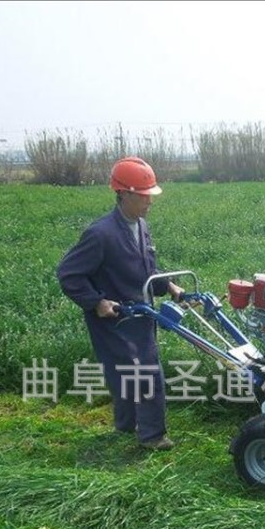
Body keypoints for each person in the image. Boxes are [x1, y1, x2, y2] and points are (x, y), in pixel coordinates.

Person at [57, 156, 183, 450]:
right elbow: (69, 274)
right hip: (113, 318)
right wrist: (97, 302)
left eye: (150, 195)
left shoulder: (140, 225)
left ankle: (126, 425)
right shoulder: (100, 234)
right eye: (143, 196)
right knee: (146, 372)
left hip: (141, 314)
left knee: (125, 372)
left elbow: (147, 269)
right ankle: (152, 436)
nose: (149, 202)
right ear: (123, 194)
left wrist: (170, 286)